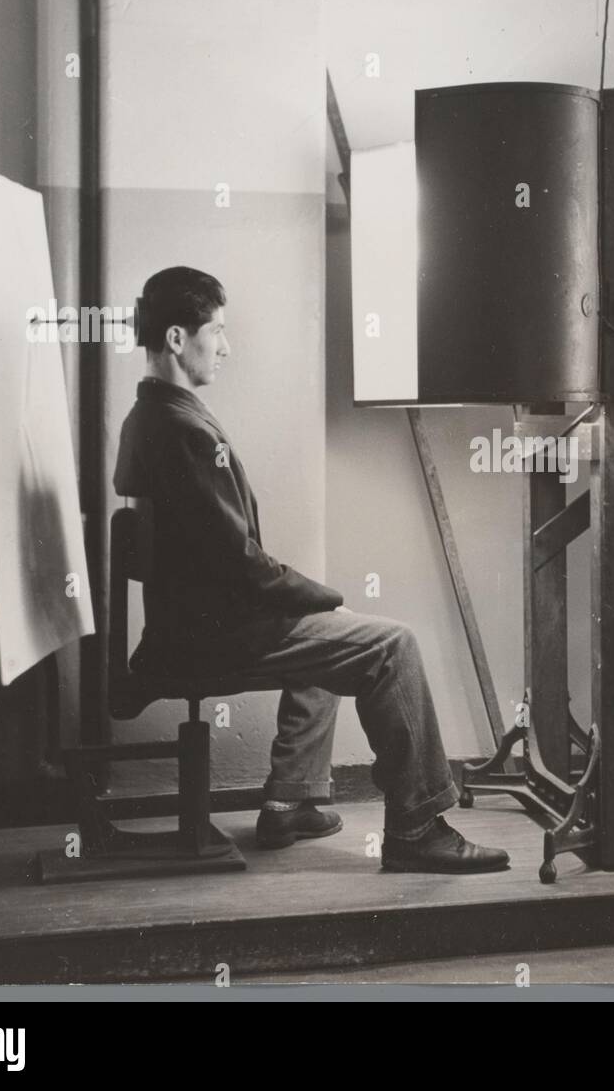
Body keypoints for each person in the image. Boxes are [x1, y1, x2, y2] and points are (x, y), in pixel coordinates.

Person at [113, 266, 509, 874]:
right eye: (215, 331)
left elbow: (227, 559)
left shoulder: (149, 417)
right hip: (207, 635)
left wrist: (309, 602)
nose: (225, 345)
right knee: (389, 646)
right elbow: (242, 564)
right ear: (175, 339)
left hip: (187, 623)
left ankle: (290, 799)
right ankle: (419, 827)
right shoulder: (184, 430)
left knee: (325, 636)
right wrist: (325, 598)